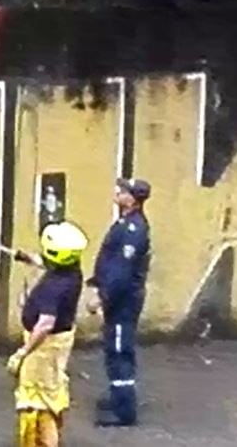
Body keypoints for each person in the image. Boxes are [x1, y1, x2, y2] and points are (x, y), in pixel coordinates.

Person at [7, 221, 89, 447]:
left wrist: (23, 353)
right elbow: (50, 262)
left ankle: (41, 443)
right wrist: (28, 258)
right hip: (60, 343)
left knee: (37, 401)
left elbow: (44, 324)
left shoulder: (54, 287)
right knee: (53, 392)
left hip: (44, 347)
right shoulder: (72, 271)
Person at [87, 177, 152, 427]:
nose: (118, 191)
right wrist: (96, 281)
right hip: (119, 297)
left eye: (123, 190)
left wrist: (102, 297)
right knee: (114, 347)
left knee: (119, 350)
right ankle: (117, 396)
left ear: (132, 199)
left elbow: (121, 271)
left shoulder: (133, 230)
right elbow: (109, 260)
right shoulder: (125, 223)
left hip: (123, 301)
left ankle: (124, 410)